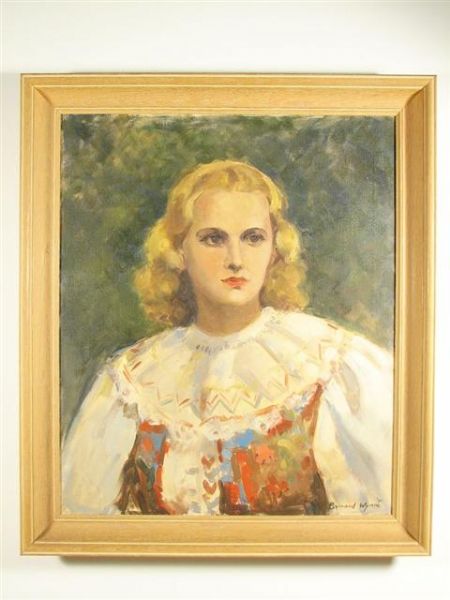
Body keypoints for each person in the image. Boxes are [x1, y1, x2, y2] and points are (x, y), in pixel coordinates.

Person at [62, 160, 393, 516]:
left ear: (275, 250)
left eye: (253, 238)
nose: (235, 259)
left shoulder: (330, 365)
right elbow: (81, 517)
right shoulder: (130, 383)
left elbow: (371, 517)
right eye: (213, 239)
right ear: (178, 252)